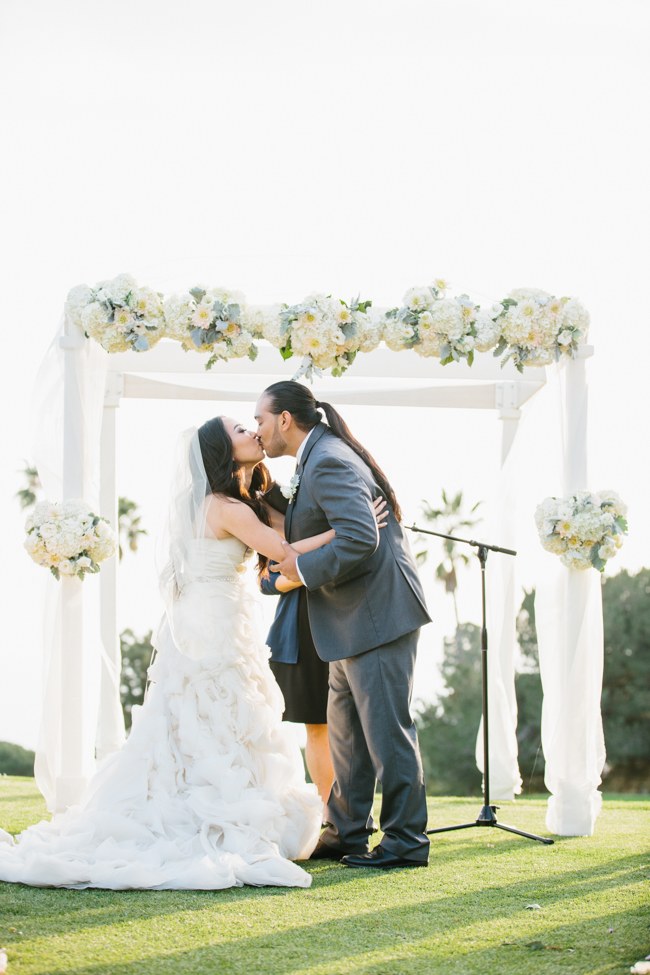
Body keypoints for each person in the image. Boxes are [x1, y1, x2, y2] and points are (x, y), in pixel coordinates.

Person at [0, 417, 366, 890]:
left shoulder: (229, 503)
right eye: (240, 430)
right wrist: (348, 531)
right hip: (212, 625)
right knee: (213, 714)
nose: (253, 432)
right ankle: (207, 813)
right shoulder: (223, 507)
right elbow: (283, 551)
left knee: (212, 717)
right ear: (222, 450)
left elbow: (279, 537)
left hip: (213, 618)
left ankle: (218, 801)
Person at [255, 381, 432, 870]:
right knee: (347, 737)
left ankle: (405, 842)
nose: (258, 429)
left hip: (376, 616)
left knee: (386, 733)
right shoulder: (317, 458)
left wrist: (297, 569)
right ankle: (347, 831)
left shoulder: (329, 459)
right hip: (349, 620)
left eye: (262, 420)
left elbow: (358, 538)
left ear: (285, 420)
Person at [258, 486, 334, 806]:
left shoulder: (312, 513)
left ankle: (355, 811)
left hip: (339, 617)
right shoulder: (261, 537)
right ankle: (328, 808)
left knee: (351, 724)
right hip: (298, 630)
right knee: (317, 724)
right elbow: (267, 580)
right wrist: (309, 568)